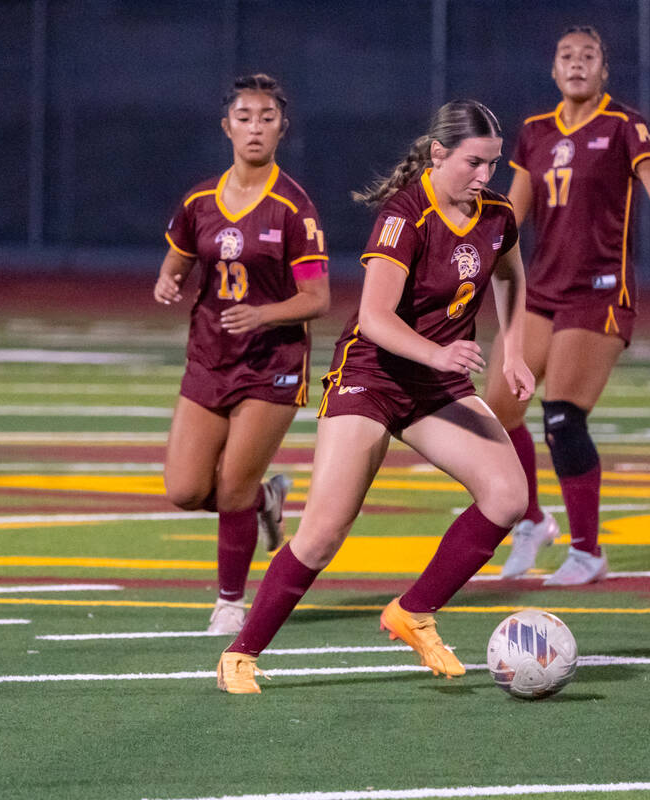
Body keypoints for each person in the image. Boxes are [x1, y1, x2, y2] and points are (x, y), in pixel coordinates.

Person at [216, 99, 535, 694]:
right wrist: (440, 353)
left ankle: (413, 612)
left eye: (494, 163)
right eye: (474, 163)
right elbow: (375, 317)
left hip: (434, 386)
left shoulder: (496, 214)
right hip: (372, 376)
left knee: (508, 494)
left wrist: (513, 349)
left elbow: (512, 276)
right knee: (323, 533)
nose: (486, 177)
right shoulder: (405, 214)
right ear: (439, 154)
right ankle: (241, 653)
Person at [489, 25, 650, 584]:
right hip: (541, 292)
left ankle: (587, 551)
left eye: (588, 55)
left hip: (599, 292)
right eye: (566, 55)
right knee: (497, 416)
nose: (577, 63)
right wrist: (467, 250)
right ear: (553, 69)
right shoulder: (533, 131)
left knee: (562, 419)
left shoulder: (624, 123)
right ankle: (531, 520)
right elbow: (511, 213)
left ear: (604, 69)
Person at [155, 74, 330, 634]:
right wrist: (168, 281)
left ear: (283, 128)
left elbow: (317, 298)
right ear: (226, 125)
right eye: (245, 116)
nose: (255, 127)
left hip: (272, 365)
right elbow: (180, 258)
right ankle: (265, 502)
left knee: (229, 485)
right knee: (184, 490)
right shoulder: (199, 199)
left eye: (267, 117)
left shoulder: (293, 208)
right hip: (209, 357)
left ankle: (230, 602)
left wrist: (263, 314)